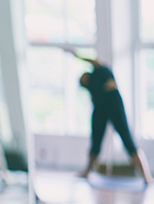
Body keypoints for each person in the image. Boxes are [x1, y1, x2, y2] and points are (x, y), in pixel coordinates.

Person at [61, 47, 154, 183]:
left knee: (127, 140)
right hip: (101, 108)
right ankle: (88, 171)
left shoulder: (99, 70)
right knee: (96, 141)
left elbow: (94, 61)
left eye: (83, 77)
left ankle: (147, 176)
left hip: (114, 105)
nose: (84, 79)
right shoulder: (94, 91)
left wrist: (77, 55)